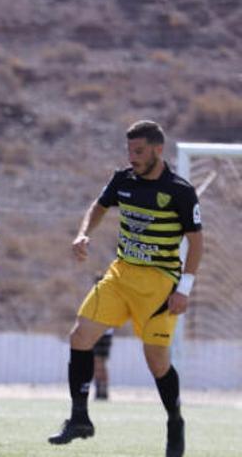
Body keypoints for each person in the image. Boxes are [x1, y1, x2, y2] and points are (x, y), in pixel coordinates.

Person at [47, 120, 203, 457]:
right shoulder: (123, 179)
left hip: (159, 285)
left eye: (139, 151)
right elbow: (99, 206)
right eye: (129, 150)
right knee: (80, 337)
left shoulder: (180, 190)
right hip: (120, 276)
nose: (132, 157)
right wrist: (83, 233)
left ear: (158, 150)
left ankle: (175, 422)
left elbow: (197, 242)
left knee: (157, 362)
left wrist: (184, 289)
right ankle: (79, 418)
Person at [93, 329, 114, 401]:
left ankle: (103, 389)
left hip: (104, 333)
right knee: (96, 363)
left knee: (100, 362)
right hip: (92, 332)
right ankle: (99, 388)